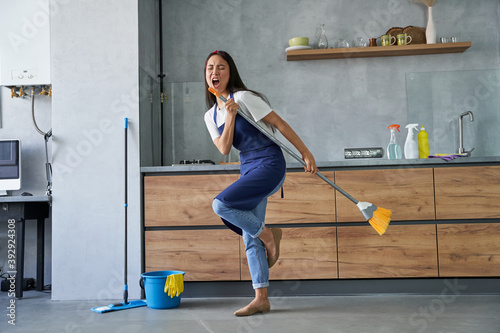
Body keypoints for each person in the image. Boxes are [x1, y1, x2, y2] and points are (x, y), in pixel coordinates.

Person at [203, 50, 318, 316]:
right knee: (249, 232)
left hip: (269, 163)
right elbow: (224, 148)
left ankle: (269, 234)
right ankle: (261, 298)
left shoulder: (243, 98)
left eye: (221, 67)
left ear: (230, 72)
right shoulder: (211, 116)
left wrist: (305, 152)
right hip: (248, 169)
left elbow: (278, 123)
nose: (215, 72)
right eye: (210, 68)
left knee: (220, 205)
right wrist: (229, 116)